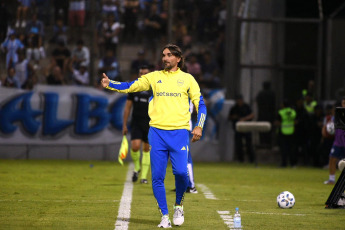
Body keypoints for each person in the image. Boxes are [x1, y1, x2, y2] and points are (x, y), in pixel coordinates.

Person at [101, 44, 206, 228]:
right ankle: (165, 216)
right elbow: (130, 86)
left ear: (178, 59)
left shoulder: (188, 79)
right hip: (156, 132)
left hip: (180, 133)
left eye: (169, 55)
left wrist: (199, 126)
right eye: (163, 55)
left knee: (181, 173)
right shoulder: (154, 77)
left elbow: (201, 105)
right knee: (157, 177)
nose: (165, 58)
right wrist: (110, 84)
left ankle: (179, 205)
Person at [122, 65, 152, 184]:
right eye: (141, 73)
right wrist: (124, 124)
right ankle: (137, 167)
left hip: (151, 123)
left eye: (145, 73)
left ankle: (143, 176)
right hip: (136, 122)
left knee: (146, 149)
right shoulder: (134, 88)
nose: (143, 75)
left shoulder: (154, 88)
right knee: (135, 146)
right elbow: (128, 107)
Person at [228, 94, 255, 163]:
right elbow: (230, 117)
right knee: (238, 145)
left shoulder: (246, 107)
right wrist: (234, 117)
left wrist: (244, 119)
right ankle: (241, 159)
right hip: (238, 129)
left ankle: (251, 159)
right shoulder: (234, 108)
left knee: (249, 144)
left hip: (246, 128)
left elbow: (252, 115)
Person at [324, 97, 345, 185]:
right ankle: (331, 179)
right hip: (337, 142)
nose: (344, 104)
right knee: (332, 159)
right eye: (343, 103)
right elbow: (331, 126)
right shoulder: (338, 114)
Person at [275, 99, 297, 167]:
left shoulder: (281, 112)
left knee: (284, 149)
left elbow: (278, 122)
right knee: (292, 149)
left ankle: (284, 163)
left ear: (283, 105)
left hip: (283, 132)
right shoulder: (293, 112)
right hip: (292, 131)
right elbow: (296, 121)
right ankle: (293, 163)